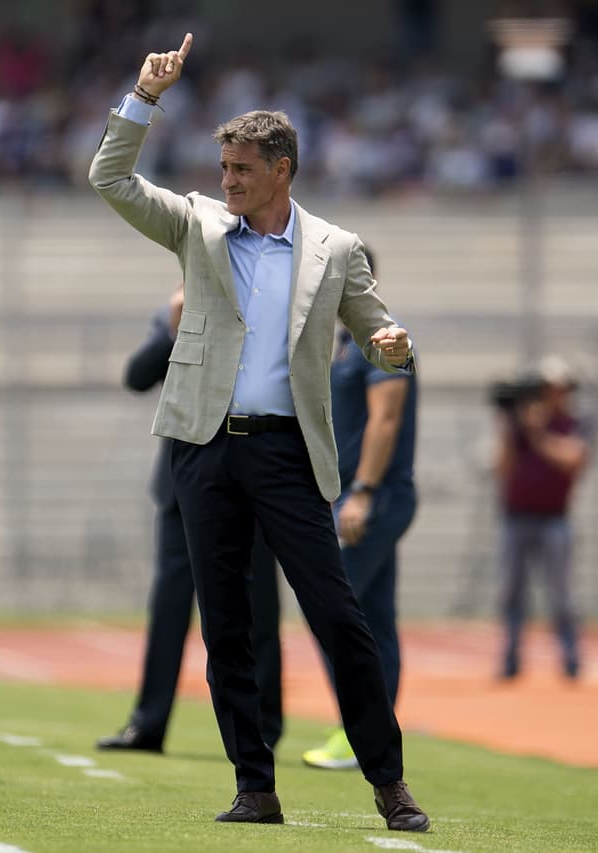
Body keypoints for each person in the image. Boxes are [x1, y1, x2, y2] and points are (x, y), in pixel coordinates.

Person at [88, 33, 430, 832]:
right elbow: (109, 176)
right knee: (228, 629)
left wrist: (395, 349)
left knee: (339, 618)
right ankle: (255, 786)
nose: (228, 182)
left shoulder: (336, 250)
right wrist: (145, 97)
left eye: (243, 170)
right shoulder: (198, 225)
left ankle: (389, 780)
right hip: (203, 447)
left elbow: (385, 336)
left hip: (287, 453)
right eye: (224, 169)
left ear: (282, 170)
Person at [97, 284, 284, 754]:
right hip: (184, 485)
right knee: (168, 608)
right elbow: (136, 376)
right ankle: (148, 722)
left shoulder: (257, 307)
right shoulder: (175, 310)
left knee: (256, 607)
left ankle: (264, 725)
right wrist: (177, 329)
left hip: (248, 482)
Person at [302, 248, 421, 771]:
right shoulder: (347, 342)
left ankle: (360, 729)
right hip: (357, 495)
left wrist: (364, 492)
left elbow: (386, 417)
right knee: (374, 616)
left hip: (373, 497)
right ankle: (373, 730)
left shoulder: (382, 336)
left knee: (333, 608)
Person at [494, 355, 588, 681]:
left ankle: (571, 657)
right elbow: (503, 469)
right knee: (511, 592)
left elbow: (573, 458)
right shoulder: (518, 426)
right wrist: (509, 427)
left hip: (554, 519)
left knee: (561, 593)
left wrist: (537, 434)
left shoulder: (572, 422)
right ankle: (510, 658)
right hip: (516, 518)